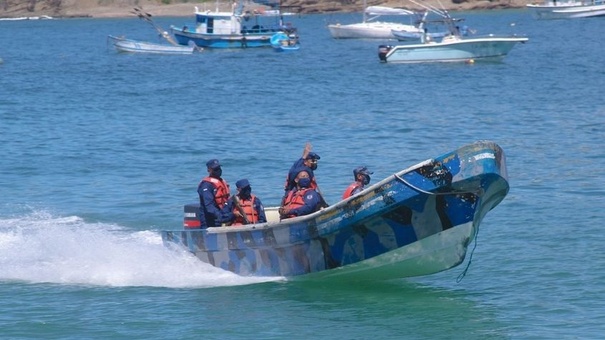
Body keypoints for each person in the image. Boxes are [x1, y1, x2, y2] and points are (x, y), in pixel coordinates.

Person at [197, 159, 233, 228]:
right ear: (209, 170)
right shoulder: (206, 185)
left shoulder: (221, 182)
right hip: (209, 221)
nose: (218, 170)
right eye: (215, 169)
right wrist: (222, 217)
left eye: (219, 168)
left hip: (222, 217)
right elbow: (209, 206)